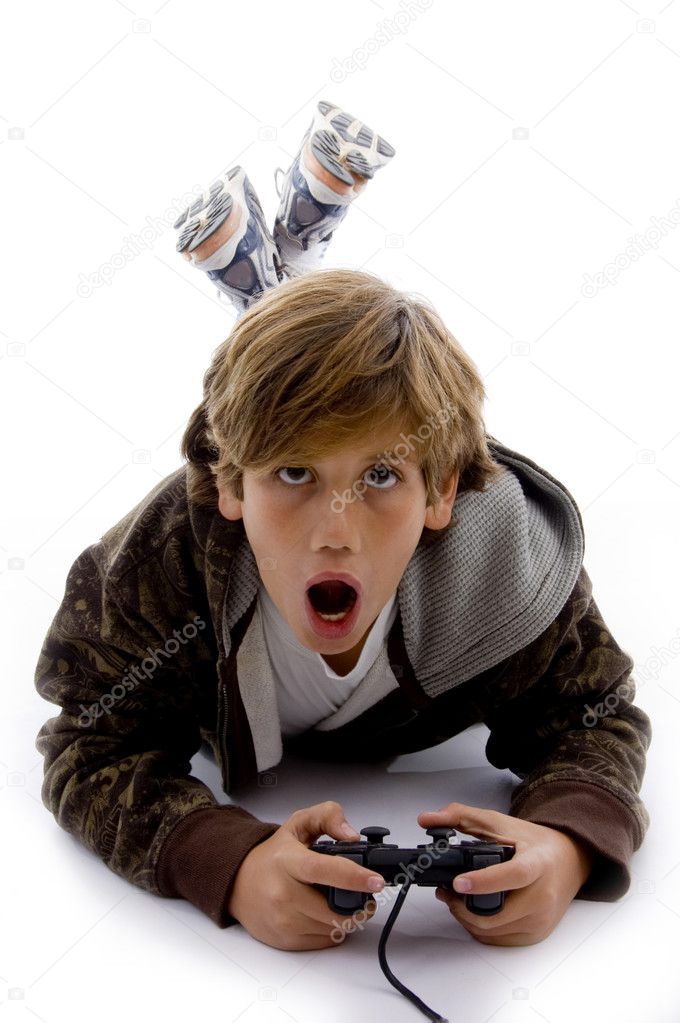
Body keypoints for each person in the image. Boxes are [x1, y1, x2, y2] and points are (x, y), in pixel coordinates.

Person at [34, 100, 651, 954]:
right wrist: (229, 861)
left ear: (440, 494)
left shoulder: (502, 557)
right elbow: (89, 739)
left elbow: (595, 715)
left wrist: (569, 843)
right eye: (293, 473)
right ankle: (282, 276)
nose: (336, 532)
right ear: (229, 484)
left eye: (380, 479)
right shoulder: (161, 561)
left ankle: (278, 272)